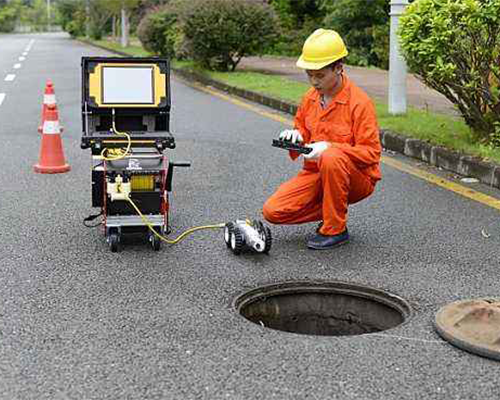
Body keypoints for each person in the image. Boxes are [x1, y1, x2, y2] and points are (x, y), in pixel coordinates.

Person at [262, 28, 381, 250]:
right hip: (316, 173)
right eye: (309, 75)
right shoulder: (310, 98)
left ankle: (335, 228)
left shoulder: (360, 103)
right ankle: (331, 208)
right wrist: (295, 137)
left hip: (357, 178)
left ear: (338, 68)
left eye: (320, 75)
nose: (314, 82)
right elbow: (304, 131)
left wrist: (329, 147)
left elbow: (371, 154)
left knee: (332, 157)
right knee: (273, 211)